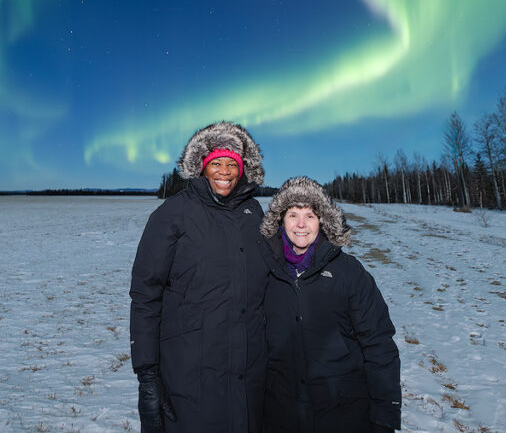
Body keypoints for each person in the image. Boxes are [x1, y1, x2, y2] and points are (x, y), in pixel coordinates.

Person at [130, 121, 269, 433]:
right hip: (190, 376)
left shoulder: (254, 213)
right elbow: (145, 296)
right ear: (202, 166)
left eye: (232, 164)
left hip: (248, 375)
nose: (224, 172)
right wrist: (147, 375)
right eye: (216, 163)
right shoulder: (172, 214)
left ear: (243, 168)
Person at [259, 176, 401, 433]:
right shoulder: (265, 271)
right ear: (280, 220)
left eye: (310, 216)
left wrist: (385, 414)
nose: (301, 224)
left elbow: (378, 342)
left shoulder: (349, 272)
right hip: (281, 412)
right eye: (293, 215)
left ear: (322, 221)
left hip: (343, 410)